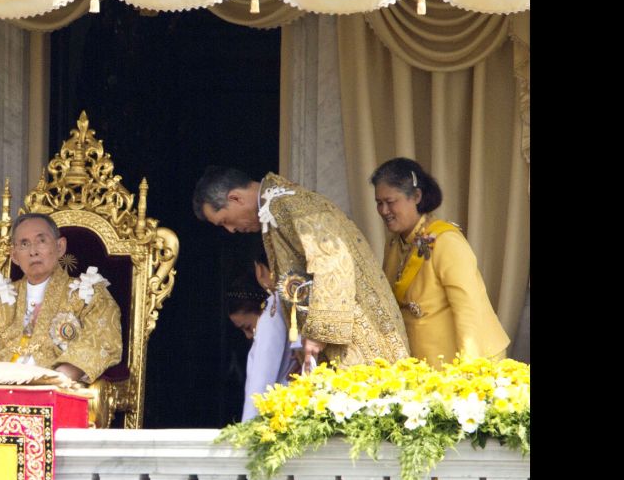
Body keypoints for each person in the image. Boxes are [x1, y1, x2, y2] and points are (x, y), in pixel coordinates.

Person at [193, 166, 409, 368]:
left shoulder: (289, 203)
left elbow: (332, 260)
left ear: (235, 198)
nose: (230, 230)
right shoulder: (277, 205)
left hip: (360, 342)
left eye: (224, 221)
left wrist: (318, 333)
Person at [0, 213, 122, 383]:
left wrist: (64, 374)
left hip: (54, 389)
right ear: (14, 256)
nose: (33, 251)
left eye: (41, 241)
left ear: (60, 247)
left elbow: (102, 341)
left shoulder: (88, 295)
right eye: (24, 244)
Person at [370, 157, 509, 368]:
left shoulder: (446, 240)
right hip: (427, 362)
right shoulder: (394, 243)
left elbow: (468, 309)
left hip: (464, 361)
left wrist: (469, 369)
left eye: (390, 202)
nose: (383, 211)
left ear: (416, 196)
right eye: (379, 203)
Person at [228, 238, 300, 422]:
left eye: (247, 327)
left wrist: (248, 429)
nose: (249, 335)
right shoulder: (293, 305)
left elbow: (261, 381)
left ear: (260, 270)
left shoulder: (273, 310)